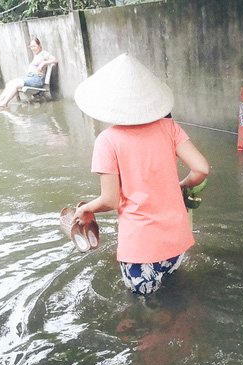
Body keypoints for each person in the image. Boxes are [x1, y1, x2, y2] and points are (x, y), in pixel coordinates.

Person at [73, 53, 210, 296]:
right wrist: (182, 186)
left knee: (145, 314)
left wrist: (86, 209)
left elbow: (110, 200)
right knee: (176, 296)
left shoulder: (107, 140)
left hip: (140, 247)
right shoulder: (170, 128)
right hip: (176, 240)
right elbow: (201, 169)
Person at [0, 38, 57, 108]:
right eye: (31, 47)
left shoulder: (43, 53)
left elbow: (54, 60)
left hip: (37, 79)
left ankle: (4, 103)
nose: (33, 48)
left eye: (34, 46)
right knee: (9, 83)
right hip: (30, 77)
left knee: (16, 84)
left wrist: (43, 63)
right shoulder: (36, 56)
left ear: (39, 45)